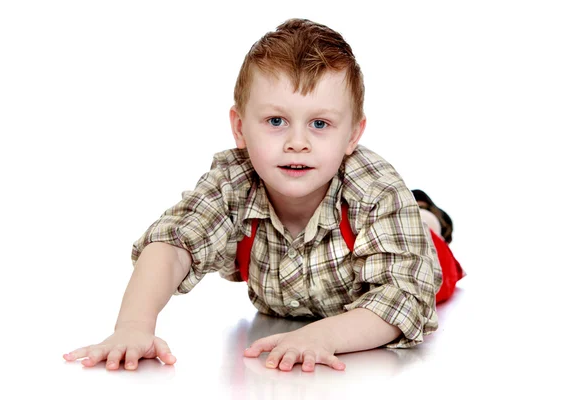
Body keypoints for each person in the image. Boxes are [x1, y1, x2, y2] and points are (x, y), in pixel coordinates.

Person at [63, 18, 464, 373]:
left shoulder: (374, 191)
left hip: (410, 256)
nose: (297, 143)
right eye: (276, 121)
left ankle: (426, 216)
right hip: (297, 285)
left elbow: (404, 298)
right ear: (239, 127)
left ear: (353, 136)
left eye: (320, 124)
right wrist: (134, 326)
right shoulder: (234, 183)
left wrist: (323, 336)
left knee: (429, 252)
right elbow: (172, 244)